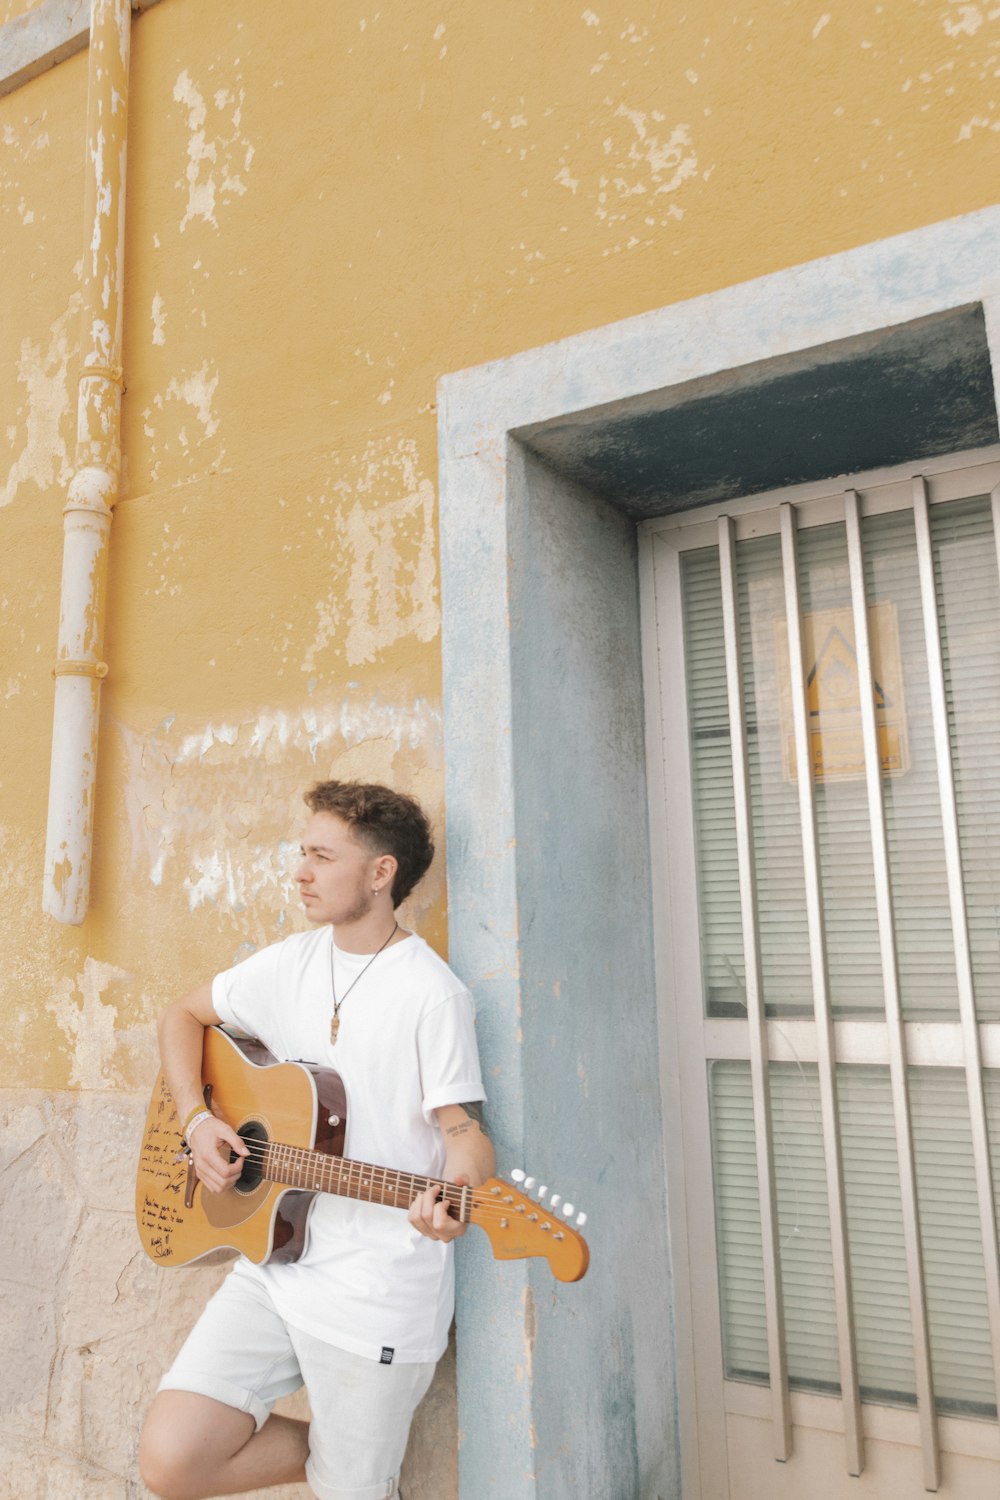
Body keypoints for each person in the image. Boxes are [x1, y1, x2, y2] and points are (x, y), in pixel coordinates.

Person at [139, 780, 494, 1500]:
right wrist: (198, 1118)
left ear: (380, 873)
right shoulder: (288, 963)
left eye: (321, 857)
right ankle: (348, 1459)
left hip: (376, 1295)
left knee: (350, 1492)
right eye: (303, 853)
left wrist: (456, 1193)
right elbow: (181, 1016)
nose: (300, 872)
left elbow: (462, 1131)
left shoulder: (432, 995)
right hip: (278, 1266)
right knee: (173, 1460)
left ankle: (358, 1467)